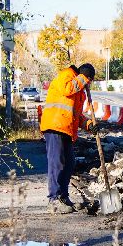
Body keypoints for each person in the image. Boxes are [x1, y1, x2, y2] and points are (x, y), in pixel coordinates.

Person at [40, 62, 94, 213]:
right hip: (55, 126)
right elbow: (66, 89)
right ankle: (54, 200)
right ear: (83, 75)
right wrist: (83, 79)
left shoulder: (79, 90)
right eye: (88, 80)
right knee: (56, 163)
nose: (88, 84)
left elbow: (75, 115)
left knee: (69, 163)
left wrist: (89, 124)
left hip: (66, 129)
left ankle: (63, 196)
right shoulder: (66, 75)